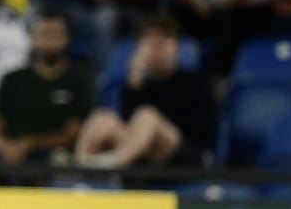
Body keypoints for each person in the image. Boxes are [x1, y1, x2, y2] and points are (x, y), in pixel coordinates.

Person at [76, 13, 215, 168]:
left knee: (147, 116)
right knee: (102, 118)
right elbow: (129, 124)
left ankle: (111, 167)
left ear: (177, 46)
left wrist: (157, 127)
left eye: (164, 39)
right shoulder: (139, 83)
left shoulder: (195, 80)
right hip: (141, 152)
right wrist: (134, 81)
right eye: (150, 41)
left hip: (185, 153)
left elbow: (202, 130)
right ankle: (78, 169)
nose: (157, 47)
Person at [0, 11, 93, 164]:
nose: (49, 40)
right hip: (8, 156)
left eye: (55, 34)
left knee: (60, 159)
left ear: (68, 38)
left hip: (51, 156)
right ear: (32, 38)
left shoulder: (79, 81)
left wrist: (31, 143)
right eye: (43, 34)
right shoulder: (12, 79)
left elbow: (73, 134)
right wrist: (5, 147)